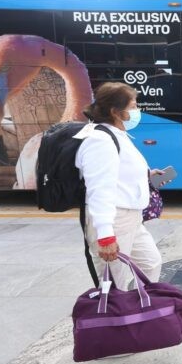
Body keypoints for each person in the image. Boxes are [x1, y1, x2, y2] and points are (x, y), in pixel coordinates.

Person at [76, 82, 165, 290]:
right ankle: (118, 319)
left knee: (151, 263)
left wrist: (147, 176)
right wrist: (106, 235)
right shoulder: (100, 140)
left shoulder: (117, 134)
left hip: (131, 217)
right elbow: (98, 189)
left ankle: (137, 311)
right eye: (133, 106)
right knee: (115, 283)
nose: (137, 111)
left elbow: (119, 171)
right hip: (115, 219)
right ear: (115, 111)